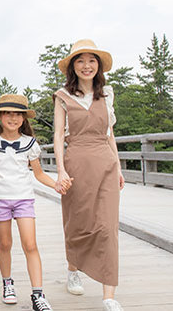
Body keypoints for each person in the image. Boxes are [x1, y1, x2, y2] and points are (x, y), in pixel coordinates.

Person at [0, 94, 71, 311]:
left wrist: (55, 184)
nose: (13, 118)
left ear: (24, 118)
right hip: (0, 199)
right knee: (5, 244)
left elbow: (38, 173)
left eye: (18, 114)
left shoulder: (30, 143)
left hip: (24, 199)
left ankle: (38, 294)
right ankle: (7, 283)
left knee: (30, 244)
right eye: (8, 113)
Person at [52, 39, 125, 311]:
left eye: (91, 60)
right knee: (78, 222)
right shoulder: (63, 97)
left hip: (105, 164)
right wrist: (60, 169)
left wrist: (117, 167)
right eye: (80, 61)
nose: (86, 66)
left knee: (108, 228)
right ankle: (74, 269)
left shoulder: (107, 94)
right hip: (76, 163)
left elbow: (110, 135)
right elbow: (59, 135)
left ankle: (108, 295)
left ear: (98, 65)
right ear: (73, 66)